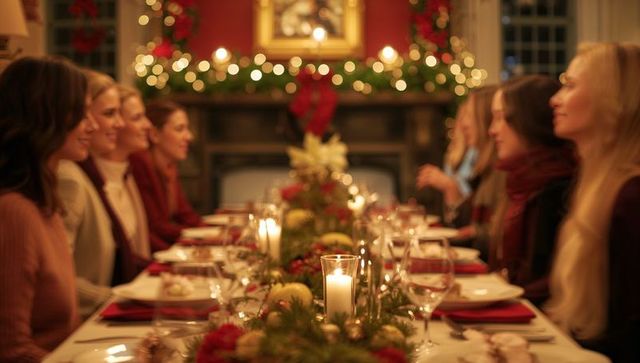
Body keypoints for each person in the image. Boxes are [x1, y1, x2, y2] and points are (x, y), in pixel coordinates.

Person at [545, 42, 640, 362]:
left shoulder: (632, 197)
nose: (554, 99)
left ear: (613, 100)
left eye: (570, 86)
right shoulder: (594, 185)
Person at [0, 56, 96, 361]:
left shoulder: (46, 207)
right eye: (81, 113)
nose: (92, 125)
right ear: (45, 116)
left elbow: (67, 330)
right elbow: (10, 350)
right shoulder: (15, 213)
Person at [488, 75, 576, 306]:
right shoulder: (520, 181)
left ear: (528, 121)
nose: (492, 130)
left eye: (500, 118)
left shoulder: (558, 190)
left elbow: (551, 284)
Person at [130, 100, 202, 250]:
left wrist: (214, 232)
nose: (189, 137)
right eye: (179, 129)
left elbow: (185, 214)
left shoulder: (169, 167)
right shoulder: (140, 164)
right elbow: (155, 227)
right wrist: (200, 237)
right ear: (155, 135)